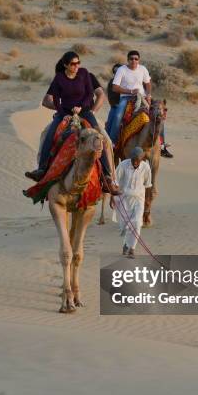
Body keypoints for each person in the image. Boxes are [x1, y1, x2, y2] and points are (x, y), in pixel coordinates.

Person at [25, 51, 120, 195]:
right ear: (66, 65)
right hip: (65, 113)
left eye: (78, 63)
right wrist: (62, 111)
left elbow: (96, 95)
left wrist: (88, 110)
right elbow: (50, 99)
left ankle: (108, 178)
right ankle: (42, 170)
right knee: (48, 135)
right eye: (73, 64)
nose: (77, 66)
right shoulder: (59, 78)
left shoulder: (86, 75)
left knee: (103, 139)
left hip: (86, 112)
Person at [110, 146, 152, 258]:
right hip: (123, 200)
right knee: (126, 226)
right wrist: (112, 197)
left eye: (138, 160)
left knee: (137, 223)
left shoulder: (146, 167)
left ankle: (132, 249)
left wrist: (148, 203)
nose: (135, 162)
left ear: (141, 159)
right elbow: (115, 182)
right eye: (133, 160)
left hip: (139, 199)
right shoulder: (123, 165)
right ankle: (126, 244)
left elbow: (148, 186)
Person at [105, 51, 152, 146]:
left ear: (139, 60)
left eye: (136, 59)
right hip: (126, 97)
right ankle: (112, 142)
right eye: (131, 59)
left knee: (157, 114)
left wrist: (148, 95)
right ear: (127, 60)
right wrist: (130, 91)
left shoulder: (143, 69)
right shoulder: (122, 70)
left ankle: (161, 144)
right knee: (117, 116)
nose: (134, 61)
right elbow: (115, 87)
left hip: (141, 97)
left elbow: (148, 84)